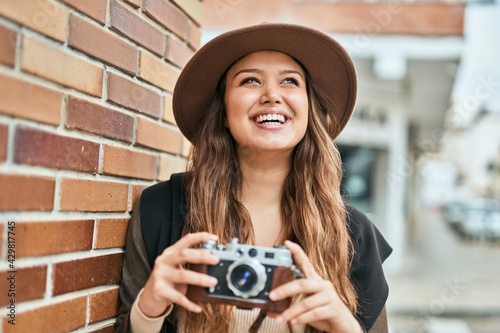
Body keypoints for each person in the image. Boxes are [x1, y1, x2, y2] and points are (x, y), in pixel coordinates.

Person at [115, 23, 392, 333]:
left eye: (290, 81)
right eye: (250, 81)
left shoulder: (352, 234)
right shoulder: (160, 210)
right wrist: (148, 311)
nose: (272, 95)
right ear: (222, 111)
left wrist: (346, 328)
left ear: (309, 108)